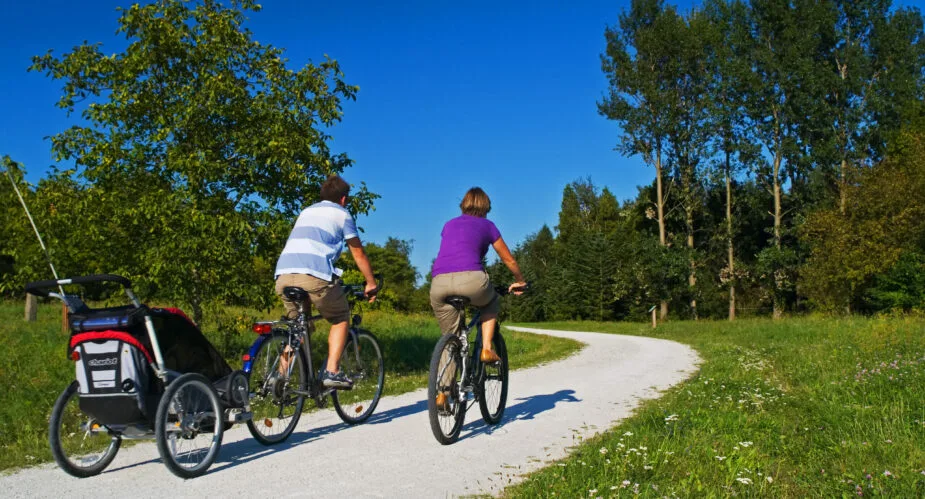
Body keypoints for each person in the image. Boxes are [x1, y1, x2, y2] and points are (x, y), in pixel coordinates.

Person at [275, 175, 378, 389]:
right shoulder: (342, 215)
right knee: (340, 316)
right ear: (343, 199)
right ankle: (332, 371)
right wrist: (370, 282)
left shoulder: (306, 211)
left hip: (283, 275)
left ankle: (279, 380)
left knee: (298, 329)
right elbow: (357, 253)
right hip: (313, 275)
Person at [430, 187, 526, 408]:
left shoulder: (449, 224)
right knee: (491, 302)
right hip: (472, 280)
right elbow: (508, 259)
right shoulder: (488, 225)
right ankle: (486, 348)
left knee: (450, 340)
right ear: (486, 208)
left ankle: (442, 395)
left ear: (463, 204)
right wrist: (520, 280)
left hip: (438, 283)